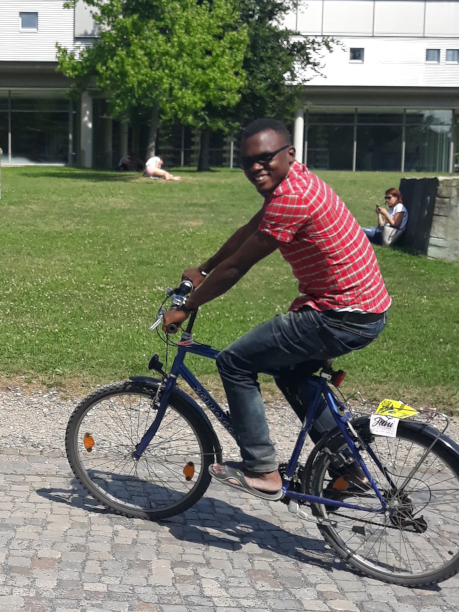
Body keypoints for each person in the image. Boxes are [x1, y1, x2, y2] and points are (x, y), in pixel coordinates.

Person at [163, 118, 390, 501]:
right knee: (289, 373)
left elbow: (238, 266)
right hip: (362, 311)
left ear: (290, 154)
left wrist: (186, 305)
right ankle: (349, 470)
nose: (256, 167)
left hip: (339, 316)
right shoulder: (293, 181)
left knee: (235, 362)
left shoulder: (292, 198)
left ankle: (262, 471)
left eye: (265, 157)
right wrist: (202, 269)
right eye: (248, 161)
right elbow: (249, 231)